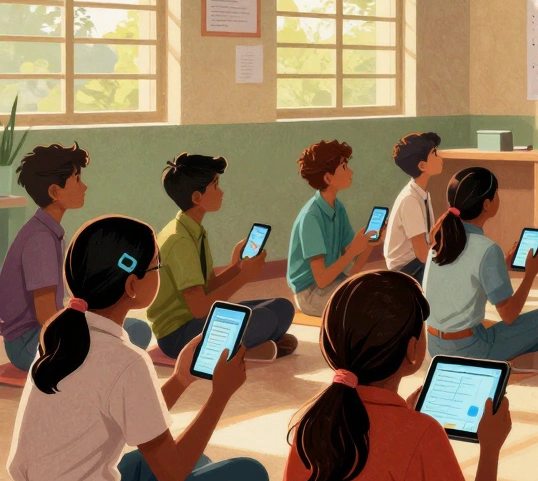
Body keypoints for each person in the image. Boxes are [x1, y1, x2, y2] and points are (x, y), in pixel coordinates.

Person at [6, 215, 269, 481]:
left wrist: (180, 379)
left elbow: (131, 415)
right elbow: (173, 473)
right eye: (157, 266)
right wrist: (220, 395)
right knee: (249, 476)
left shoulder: (60, 337)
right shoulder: (126, 359)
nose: (160, 272)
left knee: (192, 463)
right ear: (132, 285)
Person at [268, 271, 538, 481]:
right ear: (412, 350)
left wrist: (401, 415)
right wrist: (490, 449)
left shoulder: (314, 416)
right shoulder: (418, 433)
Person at [0, 143, 150, 370]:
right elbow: (46, 315)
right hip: (29, 343)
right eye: (77, 179)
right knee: (133, 332)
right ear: (54, 192)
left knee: (127, 328)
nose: (84, 186)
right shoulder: (40, 239)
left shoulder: (46, 231)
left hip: (35, 335)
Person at [149, 152, 297, 361]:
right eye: (216, 186)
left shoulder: (194, 231)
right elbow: (200, 309)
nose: (222, 192)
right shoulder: (179, 240)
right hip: (179, 335)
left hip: (199, 321)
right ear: (197, 198)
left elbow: (209, 286)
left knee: (282, 307)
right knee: (264, 318)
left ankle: (249, 345)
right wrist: (243, 278)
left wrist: (237, 267)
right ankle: (246, 350)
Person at [422, 167, 538, 373]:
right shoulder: (487, 249)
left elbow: (461, 284)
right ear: (487, 204)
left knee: (486, 323)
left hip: (435, 348)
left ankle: (503, 358)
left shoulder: (440, 241)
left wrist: (502, 266)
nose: (499, 197)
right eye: (496, 193)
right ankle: (506, 363)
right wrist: (530, 274)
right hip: (470, 350)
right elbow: (509, 314)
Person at [287, 140, 381, 315]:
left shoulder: (338, 207)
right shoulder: (311, 217)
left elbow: (352, 269)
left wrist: (368, 246)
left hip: (334, 281)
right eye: (344, 167)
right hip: (310, 293)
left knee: (379, 292)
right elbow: (321, 280)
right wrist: (354, 251)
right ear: (328, 178)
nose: (351, 172)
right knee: (366, 306)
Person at [385, 132, 444, 282]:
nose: (440, 157)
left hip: (415, 263)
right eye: (434, 154)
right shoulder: (410, 199)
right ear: (422, 165)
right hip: (406, 270)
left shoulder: (421, 193)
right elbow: (422, 255)